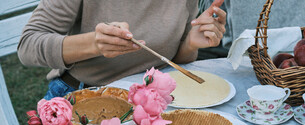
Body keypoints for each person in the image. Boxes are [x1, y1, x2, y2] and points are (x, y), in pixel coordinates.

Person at [17, 0, 226, 100]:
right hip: (83, 95)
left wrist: (191, 43)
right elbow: (27, 46)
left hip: (154, 100)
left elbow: (176, 62)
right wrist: (94, 44)